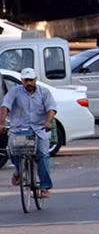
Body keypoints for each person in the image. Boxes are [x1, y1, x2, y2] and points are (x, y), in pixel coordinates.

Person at [0, 68, 57, 198]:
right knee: (12, 150)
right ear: (22, 81)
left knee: (43, 155)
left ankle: (44, 187)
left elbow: (51, 108)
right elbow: (5, 106)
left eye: (31, 80)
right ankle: (19, 171)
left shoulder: (44, 92)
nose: (28, 83)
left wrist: (48, 122)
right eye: (26, 80)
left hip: (39, 129)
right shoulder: (15, 92)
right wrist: (1, 122)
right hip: (19, 129)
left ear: (35, 80)